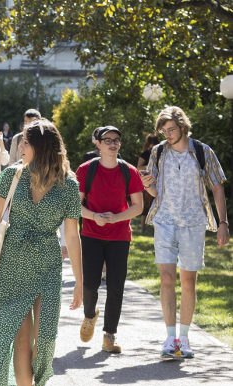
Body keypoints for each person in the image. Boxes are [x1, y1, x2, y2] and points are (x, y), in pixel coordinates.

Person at [0, 119, 83, 386]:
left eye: (25, 143)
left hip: (47, 263)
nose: (20, 147)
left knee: (44, 339)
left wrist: (81, 283)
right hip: (13, 262)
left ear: (42, 148)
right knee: (20, 338)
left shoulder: (68, 186)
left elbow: (72, 237)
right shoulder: (11, 175)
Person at [141, 106, 229, 359]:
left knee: (188, 281)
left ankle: (185, 338)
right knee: (167, 279)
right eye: (163, 131)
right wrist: (148, 186)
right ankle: (170, 339)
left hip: (193, 223)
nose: (167, 135)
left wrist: (223, 223)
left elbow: (217, 188)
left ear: (183, 127)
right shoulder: (158, 153)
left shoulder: (202, 151)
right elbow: (157, 192)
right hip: (165, 222)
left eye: (171, 130)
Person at [76, 126, 144, 354]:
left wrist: (116, 218)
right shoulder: (86, 170)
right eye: (107, 140)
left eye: (116, 140)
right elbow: (76, 205)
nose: (112, 144)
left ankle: (109, 336)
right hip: (91, 235)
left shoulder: (130, 171)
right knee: (90, 285)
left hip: (119, 236)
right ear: (98, 144)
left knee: (116, 286)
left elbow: (138, 206)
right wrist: (94, 216)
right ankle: (89, 316)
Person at [138, 134, 161, 233]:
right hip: (147, 183)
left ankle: (156, 229)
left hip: (159, 182)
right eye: (150, 144)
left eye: (154, 144)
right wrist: (149, 166)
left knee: (158, 206)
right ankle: (143, 229)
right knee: (145, 207)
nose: (152, 146)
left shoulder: (161, 153)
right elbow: (138, 167)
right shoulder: (145, 154)